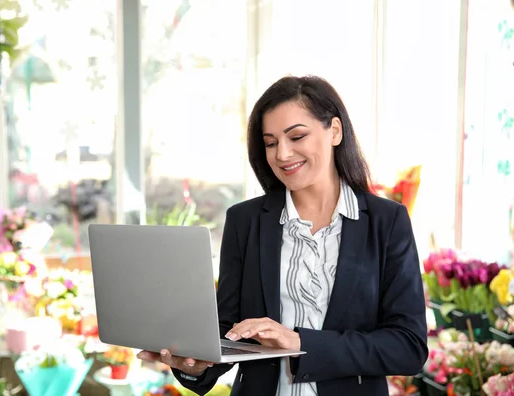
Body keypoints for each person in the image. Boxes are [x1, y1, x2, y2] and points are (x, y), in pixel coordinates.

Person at [137, 75, 428, 395]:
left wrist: (301, 343)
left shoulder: (387, 222)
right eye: (271, 142)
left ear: (334, 131)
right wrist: (195, 364)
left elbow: (408, 347)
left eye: (297, 136)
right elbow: (227, 333)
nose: (283, 154)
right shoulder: (245, 221)